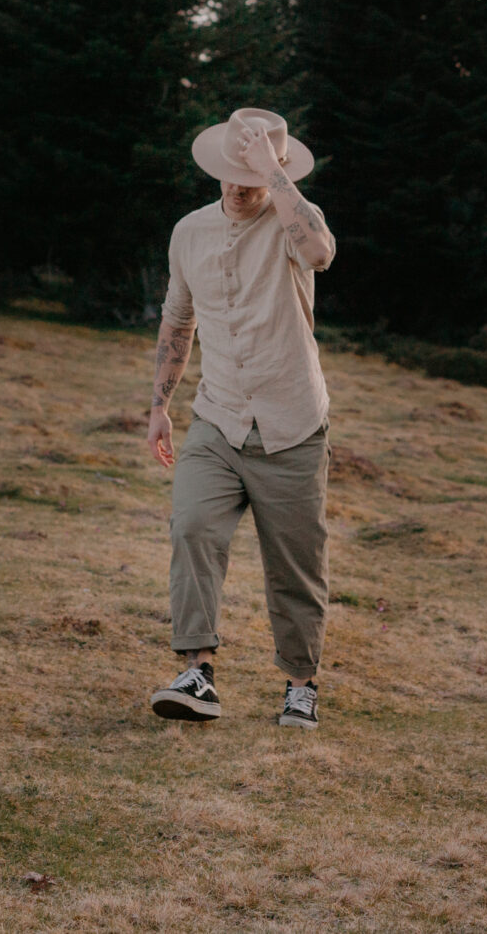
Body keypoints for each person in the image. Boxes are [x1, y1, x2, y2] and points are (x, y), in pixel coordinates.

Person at [143, 108, 338, 730]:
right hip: (217, 418)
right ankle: (197, 672)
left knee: (295, 563)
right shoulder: (189, 232)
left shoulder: (291, 222)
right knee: (193, 528)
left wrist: (272, 177)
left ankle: (300, 686)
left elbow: (322, 252)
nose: (238, 184)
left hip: (291, 424)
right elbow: (178, 322)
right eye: (230, 171)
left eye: (249, 173)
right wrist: (159, 408)